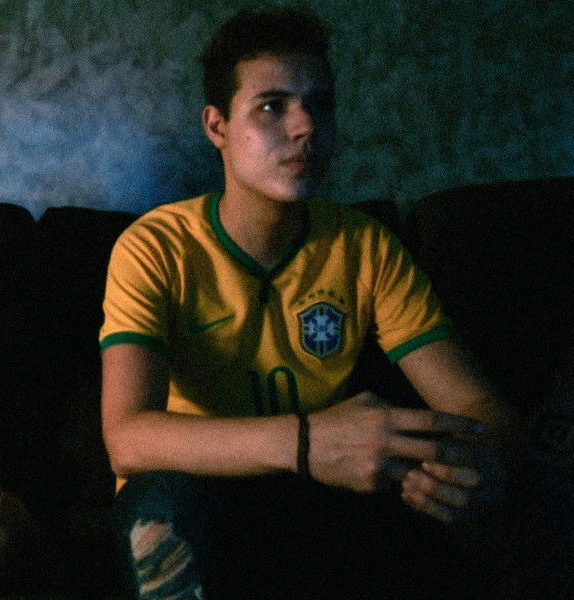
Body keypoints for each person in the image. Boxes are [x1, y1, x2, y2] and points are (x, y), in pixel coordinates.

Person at [100, 7, 522, 599]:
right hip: (202, 493)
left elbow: (476, 404)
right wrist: (306, 441)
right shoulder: (156, 247)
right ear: (217, 126)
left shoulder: (364, 245)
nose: (305, 127)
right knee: (159, 504)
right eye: (272, 106)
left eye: (319, 105)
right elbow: (128, 438)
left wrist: (475, 462)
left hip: (322, 495)